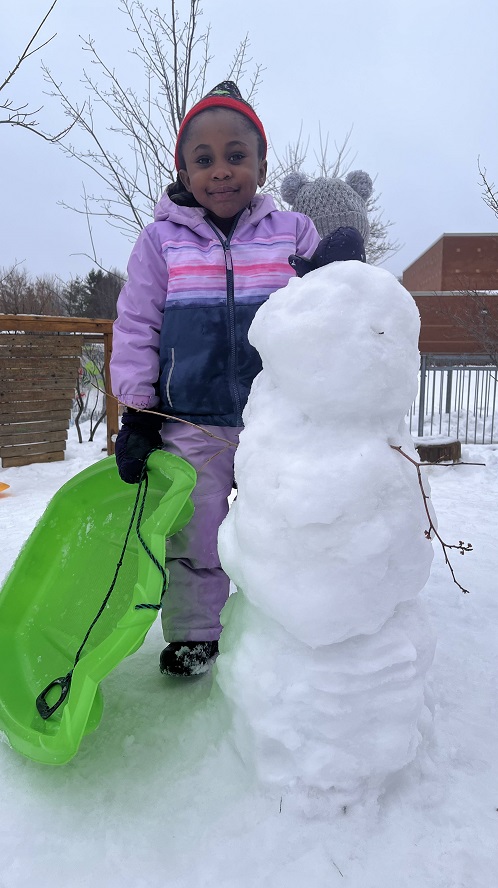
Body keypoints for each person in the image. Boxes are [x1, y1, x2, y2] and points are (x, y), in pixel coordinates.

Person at [110, 81, 362, 677]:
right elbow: (137, 323)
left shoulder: (291, 231)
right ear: (183, 169)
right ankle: (196, 633)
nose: (221, 172)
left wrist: (332, 272)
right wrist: (139, 411)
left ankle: (282, 619)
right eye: (204, 160)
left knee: (280, 520)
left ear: (261, 163)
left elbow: (323, 308)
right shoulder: (160, 242)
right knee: (196, 531)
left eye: (236, 156)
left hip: (274, 419)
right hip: (190, 420)